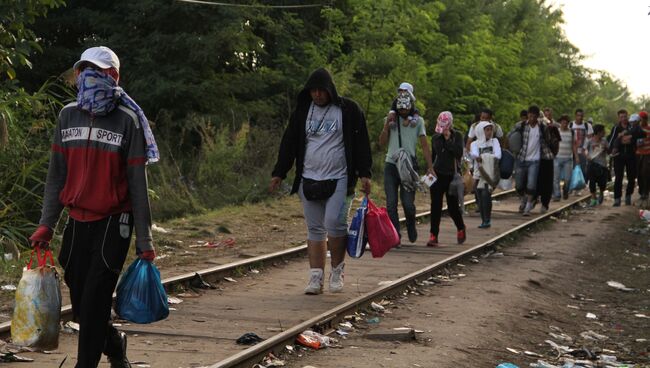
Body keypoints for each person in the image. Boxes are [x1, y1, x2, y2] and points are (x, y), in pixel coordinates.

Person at [29, 46, 158, 368]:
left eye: (97, 71)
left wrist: (145, 241)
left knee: (96, 300)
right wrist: (47, 223)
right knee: (81, 301)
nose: (90, 77)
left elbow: (138, 185)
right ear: (77, 75)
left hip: (114, 222)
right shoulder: (67, 115)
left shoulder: (127, 120)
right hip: (77, 220)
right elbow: (57, 176)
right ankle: (114, 343)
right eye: (84, 70)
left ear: (113, 77)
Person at [269, 68, 372, 295]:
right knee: (315, 228)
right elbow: (289, 141)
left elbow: (362, 142)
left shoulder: (348, 110)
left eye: (321, 91)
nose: (317, 95)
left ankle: (337, 271)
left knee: (334, 223)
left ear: (330, 90)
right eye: (313, 91)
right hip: (308, 178)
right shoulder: (302, 111)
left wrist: (365, 173)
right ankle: (316, 277)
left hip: (340, 177)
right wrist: (279, 172)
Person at [379, 86, 433, 243]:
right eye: (400, 110)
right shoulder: (390, 120)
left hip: (409, 167)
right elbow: (381, 143)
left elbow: (424, 146)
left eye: (405, 110)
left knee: (408, 204)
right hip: (391, 165)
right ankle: (396, 236)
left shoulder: (418, 122)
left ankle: (411, 223)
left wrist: (430, 166)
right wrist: (386, 126)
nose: (403, 113)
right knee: (390, 204)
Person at [428, 111, 466, 246]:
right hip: (438, 175)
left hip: (452, 177)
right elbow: (435, 155)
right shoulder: (435, 138)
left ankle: (461, 227)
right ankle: (433, 235)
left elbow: (458, 153)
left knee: (452, 207)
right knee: (435, 206)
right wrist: (430, 170)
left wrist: (449, 139)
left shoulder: (458, 136)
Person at [514, 105, 554, 216]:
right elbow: (512, 136)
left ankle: (527, 207)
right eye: (529, 116)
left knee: (531, 185)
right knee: (519, 185)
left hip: (535, 161)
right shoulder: (521, 126)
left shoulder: (542, 127)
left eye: (533, 116)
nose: (531, 118)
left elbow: (548, 139)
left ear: (537, 117)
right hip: (522, 159)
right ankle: (524, 199)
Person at [470, 121, 501, 228]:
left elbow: (498, 154)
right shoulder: (475, 144)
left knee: (486, 195)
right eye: (487, 130)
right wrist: (479, 157)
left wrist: (483, 157)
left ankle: (487, 220)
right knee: (479, 198)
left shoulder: (495, 141)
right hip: (478, 174)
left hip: (489, 173)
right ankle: (483, 219)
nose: (489, 132)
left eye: (490, 130)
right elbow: (474, 153)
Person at [607, 109, 637, 206]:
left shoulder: (632, 127)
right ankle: (617, 199)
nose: (623, 119)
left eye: (625, 116)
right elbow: (611, 141)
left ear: (627, 116)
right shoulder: (616, 128)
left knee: (631, 177)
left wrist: (629, 141)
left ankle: (628, 195)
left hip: (631, 155)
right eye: (621, 117)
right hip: (619, 156)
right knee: (618, 177)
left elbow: (636, 138)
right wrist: (613, 148)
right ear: (619, 118)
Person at [534, 115, 560, 212]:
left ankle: (543, 203)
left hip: (546, 157)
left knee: (545, 182)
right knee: (538, 181)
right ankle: (536, 200)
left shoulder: (549, 127)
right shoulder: (526, 126)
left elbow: (555, 142)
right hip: (535, 158)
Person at [553, 115, 577, 201]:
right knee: (556, 178)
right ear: (560, 122)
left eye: (566, 122)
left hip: (568, 158)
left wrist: (576, 157)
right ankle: (557, 195)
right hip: (557, 157)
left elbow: (574, 145)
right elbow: (553, 143)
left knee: (568, 178)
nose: (564, 123)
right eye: (563, 122)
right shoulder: (557, 132)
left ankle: (565, 189)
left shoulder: (571, 132)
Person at [584, 124, 609, 206]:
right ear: (598, 133)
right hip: (592, 164)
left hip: (602, 165)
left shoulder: (604, 141)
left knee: (602, 183)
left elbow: (609, 151)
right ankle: (593, 198)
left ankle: (601, 193)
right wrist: (587, 156)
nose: (604, 133)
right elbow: (584, 150)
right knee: (592, 181)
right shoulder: (590, 141)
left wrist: (606, 148)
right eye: (603, 131)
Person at [630, 111, 650, 207]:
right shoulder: (636, 129)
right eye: (640, 120)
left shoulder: (649, 128)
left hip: (647, 154)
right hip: (638, 154)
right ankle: (641, 192)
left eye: (643, 119)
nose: (642, 121)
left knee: (645, 172)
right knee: (639, 174)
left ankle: (646, 193)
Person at [570, 108, 593, 189]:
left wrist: (585, 149)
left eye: (581, 116)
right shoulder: (571, 125)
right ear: (575, 116)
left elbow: (590, 139)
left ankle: (579, 187)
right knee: (572, 169)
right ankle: (572, 186)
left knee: (582, 169)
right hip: (571, 152)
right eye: (578, 115)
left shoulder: (587, 126)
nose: (580, 117)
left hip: (583, 151)